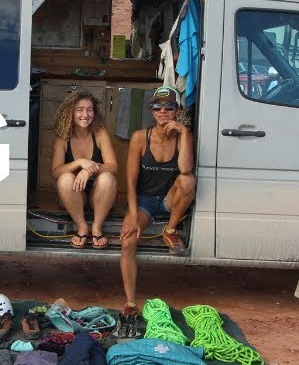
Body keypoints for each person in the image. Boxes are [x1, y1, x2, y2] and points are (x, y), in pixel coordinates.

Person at [119, 86, 195, 315]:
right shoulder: (140, 137)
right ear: (152, 111)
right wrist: (133, 216)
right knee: (127, 241)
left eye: (169, 106)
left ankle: (170, 230)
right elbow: (130, 182)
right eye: (157, 107)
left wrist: (183, 133)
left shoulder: (184, 136)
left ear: (177, 110)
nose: (163, 111)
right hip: (144, 200)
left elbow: (185, 169)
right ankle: (131, 303)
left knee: (188, 181)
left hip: (169, 199)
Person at [50, 90, 119, 248]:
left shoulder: (100, 133)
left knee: (108, 177)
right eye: (79, 109)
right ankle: (82, 226)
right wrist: (80, 162)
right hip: (74, 195)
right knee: (65, 178)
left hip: (100, 195)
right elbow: (55, 172)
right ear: (71, 113)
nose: (85, 114)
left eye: (89, 109)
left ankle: (96, 226)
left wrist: (88, 170)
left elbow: (113, 167)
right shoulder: (62, 137)